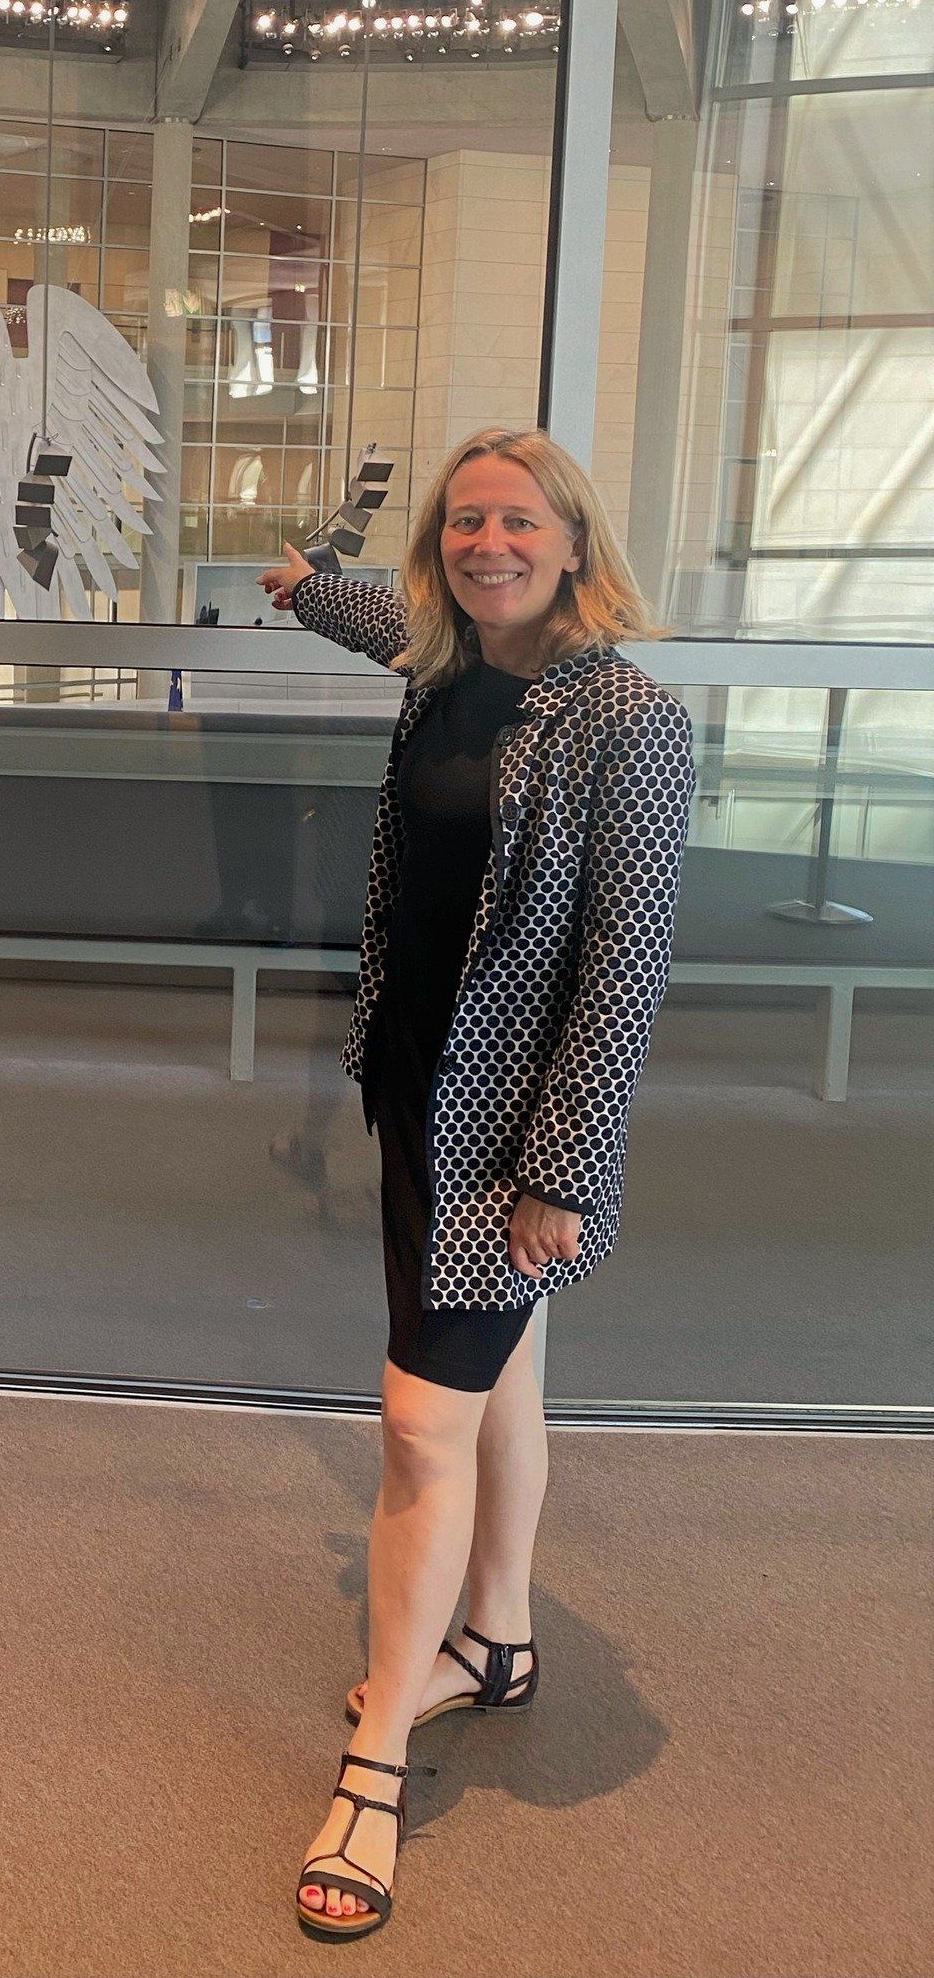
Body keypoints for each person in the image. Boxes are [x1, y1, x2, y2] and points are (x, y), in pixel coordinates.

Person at [256, 427, 693, 1939]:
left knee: (417, 1424)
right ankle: (494, 1638)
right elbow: (390, 615)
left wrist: (561, 1174)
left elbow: (623, 969)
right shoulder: (448, 664)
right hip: (415, 1086)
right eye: (464, 523)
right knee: (504, 1375)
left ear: (575, 543)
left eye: (518, 523)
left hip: (510, 1137)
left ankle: (376, 1765)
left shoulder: (628, 719)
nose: (488, 544)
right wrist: (308, 587)